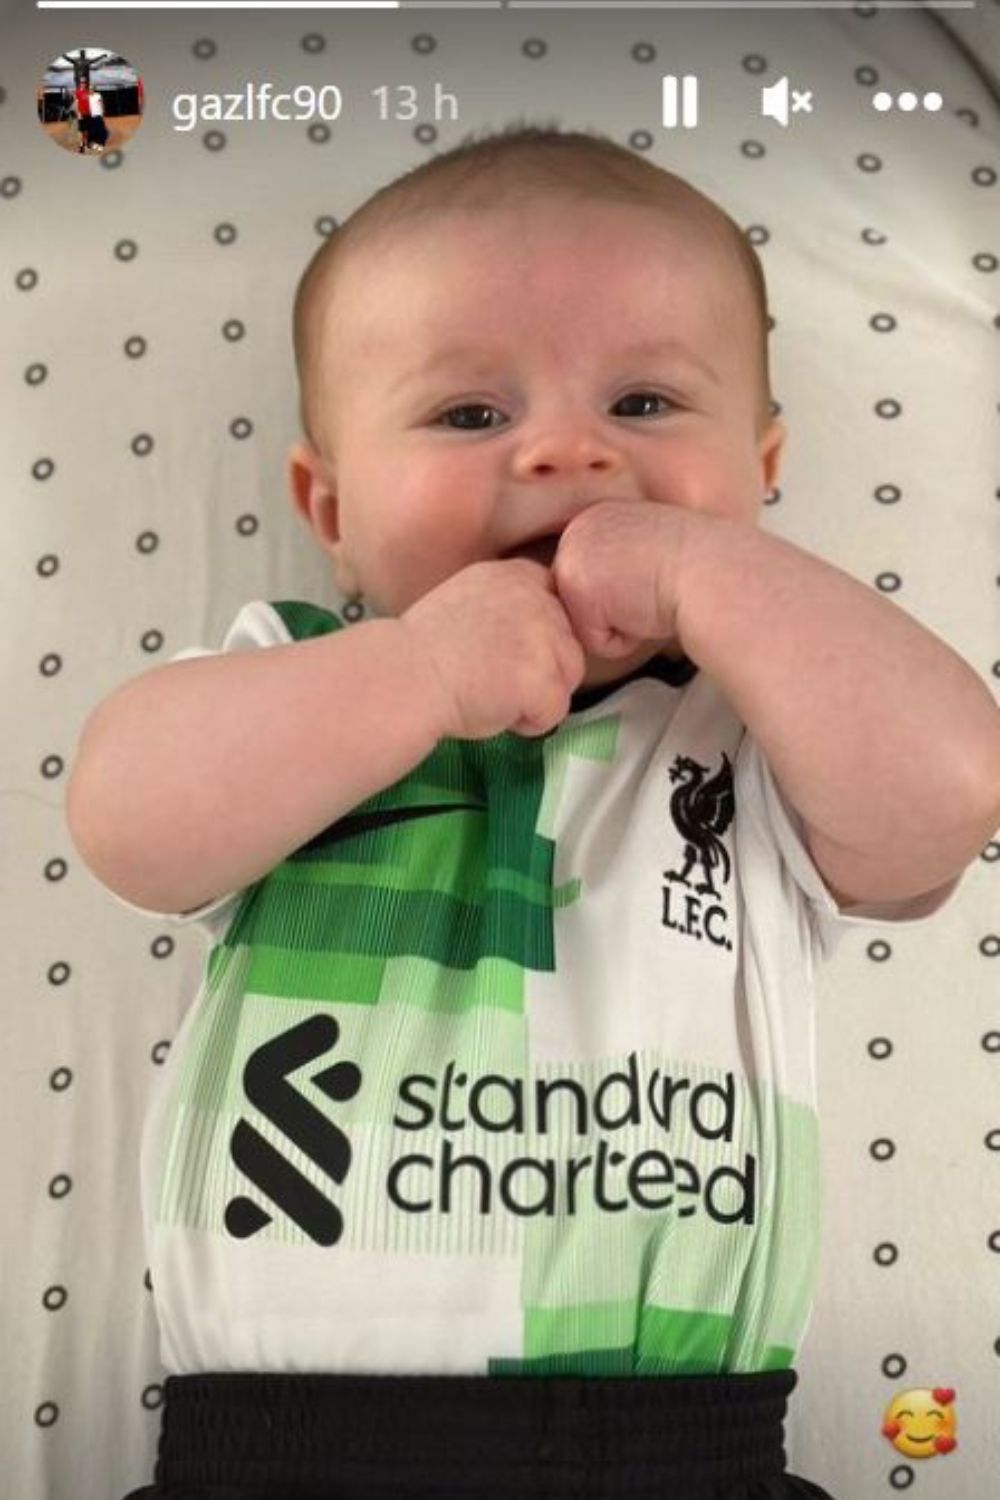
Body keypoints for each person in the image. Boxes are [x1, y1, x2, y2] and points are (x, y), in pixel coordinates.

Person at [66, 125, 1000, 1500]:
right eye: (468, 416)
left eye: (645, 406)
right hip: (284, 1449)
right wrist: (421, 670)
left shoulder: (752, 732)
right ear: (330, 505)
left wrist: (713, 580)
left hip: (688, 1446)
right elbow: (126, 820)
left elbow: (945, 803)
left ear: (765, 468)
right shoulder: (301, 679)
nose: (567, 453)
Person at [86, 83, 108, 151]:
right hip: (92, 116)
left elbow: (101, 104)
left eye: (92, 89)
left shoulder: (98, 95)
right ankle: (95, 143)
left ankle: (101, 144)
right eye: (89, 89)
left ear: (94, 89)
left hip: (98, 115)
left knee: (101, 130)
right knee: (93, 131)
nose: (90, 90)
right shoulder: (88, 97)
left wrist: (103, 113)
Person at [72, 79, 90, 153]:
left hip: (88, 114)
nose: (83, 84)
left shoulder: (88, 92)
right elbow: (76, 103)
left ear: (86, 84)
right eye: (82, 82)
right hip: (81, 114)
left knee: (86, 130)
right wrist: (78, 113)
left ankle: (86, 144)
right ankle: (81, 146)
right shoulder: (77, 92)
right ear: (79, 84)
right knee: (80, 131)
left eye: (84, 82)